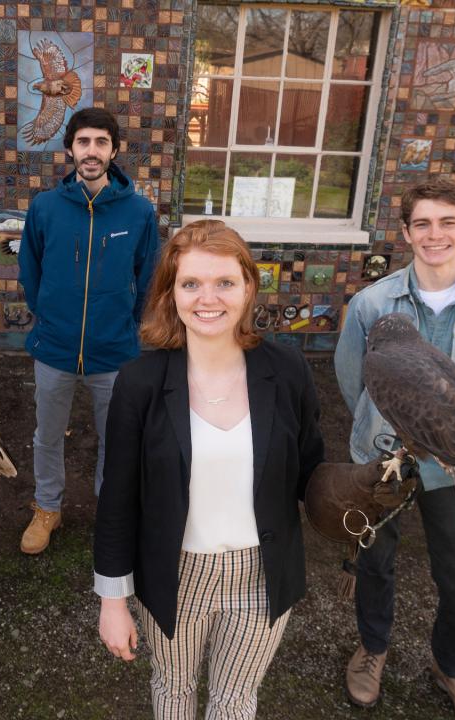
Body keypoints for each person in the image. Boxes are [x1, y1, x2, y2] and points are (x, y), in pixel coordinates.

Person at [95, 220, 324, 718]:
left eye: (224, 282)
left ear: (248, 287)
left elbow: (311, 469)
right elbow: (117, 497)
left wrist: (360, 496)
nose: (208, 298)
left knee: (235, 698)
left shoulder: (287, 372)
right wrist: (113, 600)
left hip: (261, 573)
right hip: (175, 571)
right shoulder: (140, 382)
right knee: (174, 689)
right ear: (170, 293)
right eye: (191, 283)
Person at [334, 177, 455, 720]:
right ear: (406, 232)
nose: (434, 234)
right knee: (374, 562)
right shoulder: (372, 303)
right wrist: (394, 438)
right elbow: (355, 382)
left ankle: (454, 668)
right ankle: (373, 650)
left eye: (448, 222)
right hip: (383, 455)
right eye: (422, 223)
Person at [16, 107, 159, 555]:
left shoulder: (138, 212)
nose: (91, 151)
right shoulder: (45, 208)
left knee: (115, 438)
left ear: (114, 151)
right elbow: (30, 270)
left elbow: (148, 274)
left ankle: (111, 511)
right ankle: (47, 507)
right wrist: (50, 317)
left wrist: (126, 325)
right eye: (83, 142)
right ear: (70, 150)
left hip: (113, 351)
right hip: (54, 348)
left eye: (101, 142)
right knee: (47, 434)